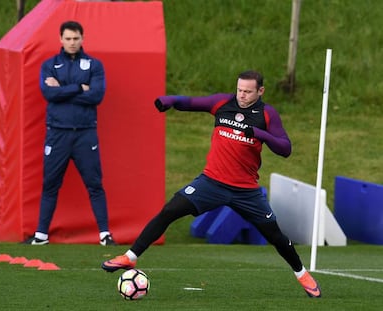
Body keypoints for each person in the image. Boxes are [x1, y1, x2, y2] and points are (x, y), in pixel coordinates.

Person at [101, 70, 321, 298]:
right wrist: (171, 101)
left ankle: (302, 274)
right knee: (169, 211)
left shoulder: (267, 115)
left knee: (275, 235)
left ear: (260, 91)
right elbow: (192, 102)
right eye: (240, 90)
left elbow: (285, 149)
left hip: (246, 191)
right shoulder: (223, 103)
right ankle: (130, 257)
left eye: (248, 92)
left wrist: (258, 133)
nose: (242, 95)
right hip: (211, 183)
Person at [25, 21, 115, 246]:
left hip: (85, 134)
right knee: (50, 183)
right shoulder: (50, 65)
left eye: (76, 38)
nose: (72, 43)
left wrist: (62, 89)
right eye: (68, 38)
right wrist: (78, 88)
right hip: (57, 134)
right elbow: (48, 93)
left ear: (82, 39)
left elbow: (96, 96)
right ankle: (41, 236)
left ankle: (105, 235)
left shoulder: (94, 65)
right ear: (60, 39)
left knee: (94, 184)